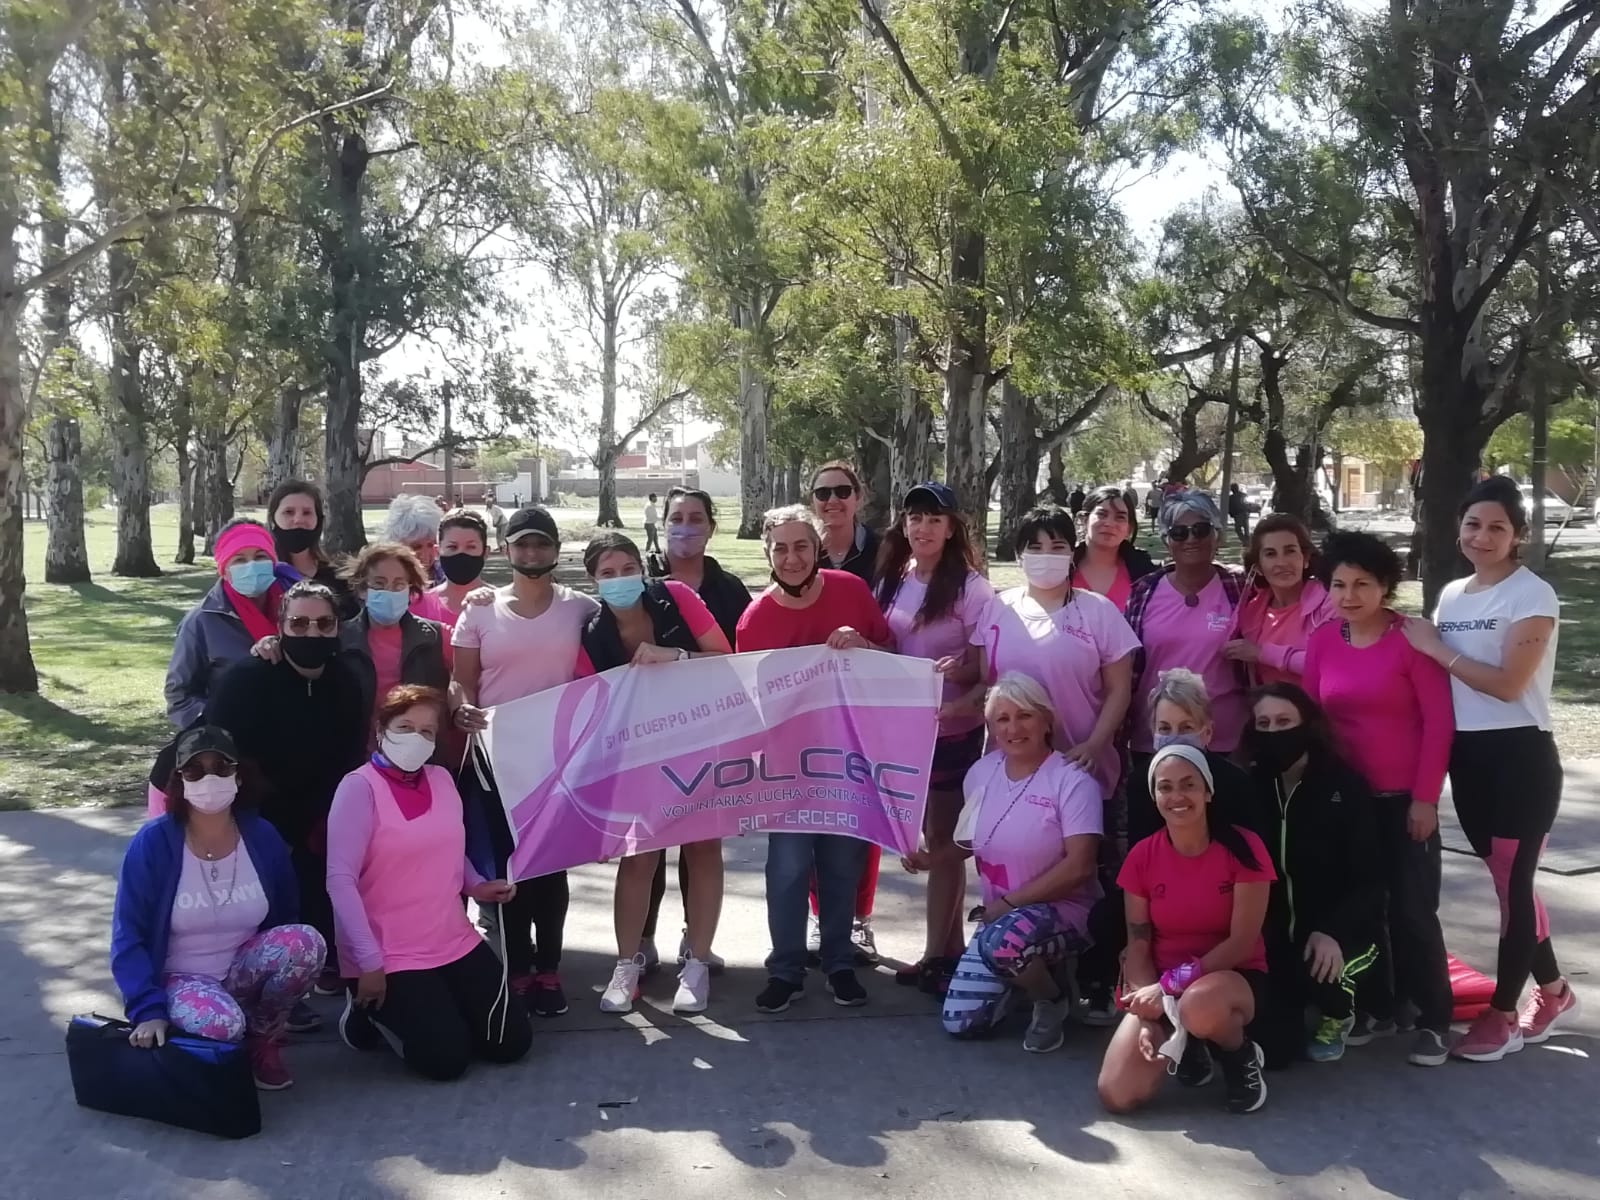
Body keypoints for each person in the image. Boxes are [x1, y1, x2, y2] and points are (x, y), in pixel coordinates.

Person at [1403, 476, 1580, 1061]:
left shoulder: (1532, 595)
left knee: (1515, 885)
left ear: (1518, 535)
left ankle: (1503, 1015)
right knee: (1509, 884)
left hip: (1520, 755)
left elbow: (1507, 685)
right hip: (1468, 759)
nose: (1483, 536)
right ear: (1459, 528)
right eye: (1473, 524)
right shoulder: (1453, 595)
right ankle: (1553, 993)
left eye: (1497, 527)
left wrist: (1437, 649)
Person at [1303, 530, 1455, 1067]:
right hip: (1348, 803)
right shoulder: (1323, 640)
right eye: (1339, 584)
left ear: (1385, 586)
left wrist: (1425, 799)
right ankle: (1378, 1007)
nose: (1348, 595)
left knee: (1413, 912)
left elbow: (1439, 724)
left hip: (1403, 800)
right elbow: (1312, 722)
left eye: (1361, 584)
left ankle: (1435, 1019)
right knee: (1360, 910)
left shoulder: (1411, 639)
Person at [325, 685, 531, 1080]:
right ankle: (364, 1015)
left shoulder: (441, 779)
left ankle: (435, 1007)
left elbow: (452, 850)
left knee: (510, 1044)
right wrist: (368, 962)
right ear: (381, 729)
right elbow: (339, 881)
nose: (415, 739)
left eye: (427, 732)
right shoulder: (358, 788)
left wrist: (477, 886)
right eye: (405, 726)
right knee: (445, 1061)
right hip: (388, 953)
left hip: (450, 938)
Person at [735, 504, 892, 1012]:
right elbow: (750, 702)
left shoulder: (850, 590)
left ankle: (839, 961)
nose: (791, 556)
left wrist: (864, 644)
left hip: (847, 756)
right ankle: (786, 968)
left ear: (817, 546)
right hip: (788, 766)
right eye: (780, 547)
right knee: (786, 866)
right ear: (768, 554)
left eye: (801, 545)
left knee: (842, 863)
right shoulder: (756, 619)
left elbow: (892, 659)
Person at [112, 725, 326, 1090]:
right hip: (181, 977)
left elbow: (284, 916)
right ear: (179, 780)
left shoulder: (262, 836)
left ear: (239, 775)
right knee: (222, 1026)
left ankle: (264, 1038)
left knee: (306, 942)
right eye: (195, 770)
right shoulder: (154, 843)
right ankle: (205, 1027)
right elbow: (127, 934)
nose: (210, 778)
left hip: (242, 969)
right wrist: (147, 1009)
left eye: (222, 767)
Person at [574, 533, 734, 1015]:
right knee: (638, 855)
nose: (620, 580)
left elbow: (728, 661)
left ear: (641, 570)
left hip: (701, 740)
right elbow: (588, 707)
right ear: (594, 581)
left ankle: (697, 965)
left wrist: (677, 656)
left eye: (627, 569)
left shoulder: (677, 598)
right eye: (607, 573)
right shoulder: (592, 631)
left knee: (703, 848)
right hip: (635, 755)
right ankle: (627, 965)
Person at [452, 506, 599, 1019]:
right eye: (522, 545)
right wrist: (459, 706)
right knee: (509, 869)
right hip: (495, 759)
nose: (532, 554)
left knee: (550, 869)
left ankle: (550, 969)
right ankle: (516, 970)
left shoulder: (580, 609)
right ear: (505, 549)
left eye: (541, 545)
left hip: (557, 760)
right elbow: (460, 680)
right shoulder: (480, 610)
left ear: (557, 551)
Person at [206, 581, 368, 1020]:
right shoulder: (248, 679)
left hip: (320, 811)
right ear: (280, 628)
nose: (311, 633)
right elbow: (217, 751)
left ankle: (324, 964)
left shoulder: (347, 681)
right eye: (298, 623)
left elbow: (352, 755)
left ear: (337, 628)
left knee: (321, 890)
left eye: (323, 624)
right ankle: (268, 992)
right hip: (256, 814)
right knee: (267, 904)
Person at [1096, 744, 1275, 1116]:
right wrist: (1145, 1013)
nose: (1177, 796)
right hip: (1163, 987)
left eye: (1188, 784)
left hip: (1228, 979)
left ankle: (1238, 1053)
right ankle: (1189, 1043)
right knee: (1117, 1094)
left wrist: (1168, 988)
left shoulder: (1246, 848)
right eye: (1165, 787)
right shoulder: (1142, 856)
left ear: (1207, 792)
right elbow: (1139, 944)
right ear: (1154, 796)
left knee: (1199, 1005)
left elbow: (1241, 943)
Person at [931, 674, 1101, 1052]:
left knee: (1004, 942)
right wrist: (931, 858)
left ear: (1046, 720)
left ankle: (1051, 1000)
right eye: (1002, 719)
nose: (1013, 728)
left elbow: (1080, 868)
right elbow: (970, 840)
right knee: (961, 1023)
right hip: (1001, 919)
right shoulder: (980, 773)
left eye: (1024, 716)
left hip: (1064, 911)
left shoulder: (1073, 781)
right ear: (990, 727)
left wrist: (1007, 906)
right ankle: (1026, 975)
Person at [874, 483, 995, 990]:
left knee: (944, 845)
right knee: (930, 839)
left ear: (951, 528)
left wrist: (960, 682)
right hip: (905, 732)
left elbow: (987, 672)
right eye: (914, 517)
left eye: (933, 519)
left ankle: (933, 959)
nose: (922, 528)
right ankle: (952, 952)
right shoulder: (895, 579)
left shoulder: (971, 588)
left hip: (952, 732)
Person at [636, 487, 753, 973]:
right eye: (677, 517)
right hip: (646, 736)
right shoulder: (636, 581)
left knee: (702, 843)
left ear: (711, 526)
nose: (686, 525)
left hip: (711, 733)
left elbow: (745, 661)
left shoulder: (730, 591)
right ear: (663, 523)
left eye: (696, 517)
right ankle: (640, 940)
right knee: (646, 845)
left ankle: (695, 940)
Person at [1246, 684, 1383, 1065]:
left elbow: (1371, 879)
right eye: (1264, 723)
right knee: (1276, 1053)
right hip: (1277, 937)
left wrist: (1334, 932)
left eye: (1285, 721)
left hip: (1341, 934)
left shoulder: (1345, 786)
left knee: (1324, 968)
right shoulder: (1252, 785)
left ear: (1308, 723)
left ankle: (1340, 1012)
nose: (1275, 731)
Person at [1124, 491, 1247, 839]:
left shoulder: (1239, 588)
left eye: (1201, 530)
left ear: (1217, 535)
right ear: (1166, 540)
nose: (1191, 539)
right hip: (1155, 741)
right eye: (1179, 532)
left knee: (1222, 840)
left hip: (1223, 742)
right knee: (1154, 842)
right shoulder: (1143, 592)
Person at [165, 519, 288, 728]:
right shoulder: (201, 621)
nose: (251, 566)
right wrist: (221, 723)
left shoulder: (297, 609)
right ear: (223, 569)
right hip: (234, 744)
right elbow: (179, 696)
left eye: (260, 557)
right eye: (239, 560)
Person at [338, 543, 451, 727]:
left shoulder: (435, 637)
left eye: (399, 585)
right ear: (362, 589)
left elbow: (469, 676)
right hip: (357, 750)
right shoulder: (340, 639)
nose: (389, 591)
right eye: (379, 584)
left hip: (417, 749)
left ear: (409, 590)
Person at [1225, 515, 1333, 687]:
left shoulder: (1330, 602)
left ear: (1305, 559)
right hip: (1268, 711)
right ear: (1258, 567)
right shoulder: (1251, 611)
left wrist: (1262, 653)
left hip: (1319, 711)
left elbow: (1330, 665)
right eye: (1270, 554)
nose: (1281, 562)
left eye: (1290, 551)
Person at [266, 479, 355, 618]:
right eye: (289, 512)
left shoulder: (339, 578)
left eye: (307, 512)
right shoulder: (264, 577)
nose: (298, 520)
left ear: (318, 520)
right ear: (273, 519)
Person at [1069, 486, 1158, 612]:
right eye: (1102, 514)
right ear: (1084, 520)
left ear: (1129, 528)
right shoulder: (1063, 568)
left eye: (1120, 517)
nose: (1110, 523)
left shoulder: (1145, 573)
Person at [811, 461, 881, 584]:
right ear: (812, 501)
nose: (832, 500)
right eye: (822, 493)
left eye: (843, 491)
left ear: (858, 497)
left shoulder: (882, 550)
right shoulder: (802, 552)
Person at [428, 509, 494, 628]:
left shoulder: (504, 604)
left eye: (471, 547)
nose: (461, 554)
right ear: (437, 552)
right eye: (452, 547)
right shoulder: (418, 606)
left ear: (485, 553)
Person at [385, 494, 447, 588]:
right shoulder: (385, 576)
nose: (425, 554)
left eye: (431, 544)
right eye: (416, 547)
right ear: (398, 544)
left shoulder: (446, 574)